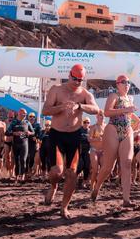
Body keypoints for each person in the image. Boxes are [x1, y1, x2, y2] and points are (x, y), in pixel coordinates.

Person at [40, 64, 100, 218]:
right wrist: (61, 107)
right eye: (75, 79)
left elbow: (96, 109)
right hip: (57, 135)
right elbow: (45, 110)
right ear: (69, 75)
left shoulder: (84, 93)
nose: (77, 82)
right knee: (57, 172)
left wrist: (80, 106)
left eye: (80, 80)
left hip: (74, 136)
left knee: (72, 173)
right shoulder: (57, 89)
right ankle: (53, 186)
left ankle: (64, 207)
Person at [91, 74, 137, 206]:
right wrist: (126, 109)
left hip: (127, 129)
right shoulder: (113, 96)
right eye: (124, 82)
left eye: (128, 82)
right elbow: (107, 112)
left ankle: (126, 200)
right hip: (113, 129)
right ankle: (97, 187)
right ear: (118, 84)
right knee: (108, 167)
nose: (127, 84)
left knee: (127, 163)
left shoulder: (130, 98)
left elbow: (128, 113)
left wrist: (135, 118)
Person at [9, 108, 33, 182]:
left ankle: (22, 176)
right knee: (16, 160)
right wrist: (14, 133)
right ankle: (16, 176)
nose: (25, 115)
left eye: (26, 114)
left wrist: (29, 133)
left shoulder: (27, 122)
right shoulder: (14, 122)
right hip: (15, 143)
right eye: (24, 114)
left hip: (24, 143)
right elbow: (7, 132)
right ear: (19, 113)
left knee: (23, 160)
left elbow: (33, 132)